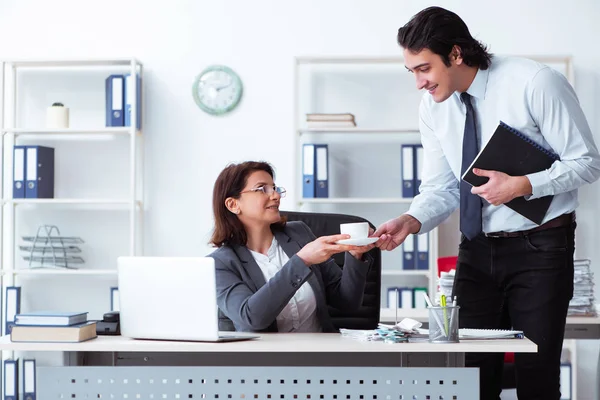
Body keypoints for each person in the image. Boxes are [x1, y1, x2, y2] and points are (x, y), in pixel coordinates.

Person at [373, 6, 600, 400]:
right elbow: (442, 188)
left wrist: (523, 184)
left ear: (457, 55)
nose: (418, 83)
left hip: (540, 248)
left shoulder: (534, 82)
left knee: (536, 376)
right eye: (412, 71)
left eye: (424, 68)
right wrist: (411, 220)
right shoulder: (433, 107)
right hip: (476, 250)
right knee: (470, 377)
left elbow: (587, 163)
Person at [208, 161, 375, 333]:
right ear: (233, 205)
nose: (275, 196)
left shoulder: (299, 234)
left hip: (321, 354)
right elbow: (252, 319)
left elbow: (347, 303)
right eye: (262, 189)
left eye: (274, 188)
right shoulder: (220, 264)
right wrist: (302, 261)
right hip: (267, 358)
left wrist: (355, 255)